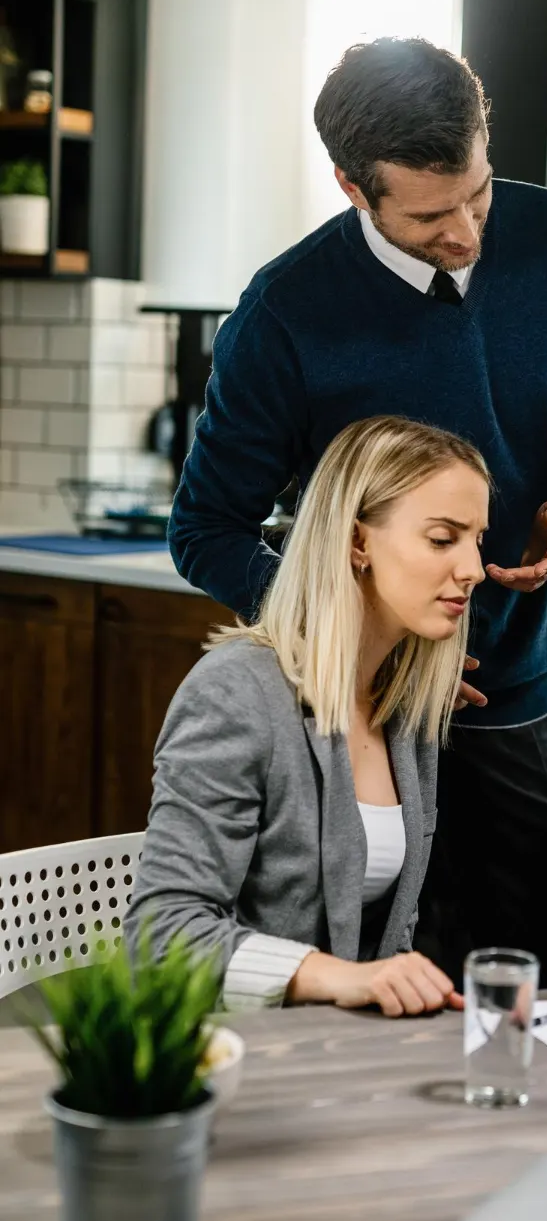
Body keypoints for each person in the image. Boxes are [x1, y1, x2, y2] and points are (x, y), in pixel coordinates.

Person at [167, 38, 547, 986]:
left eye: (479, 193)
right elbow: (204, 532)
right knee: (381, 990)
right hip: (364, 724)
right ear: (355, 189)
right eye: (434, 213)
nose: (471, 231)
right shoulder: (284, 313)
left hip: (518, 704)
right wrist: (357, 631)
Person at [128, 416, 489, 1015]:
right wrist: (337, 978)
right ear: (357, 542)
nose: (473, 568)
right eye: (442, 538)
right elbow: (162, 938)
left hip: (341, 1057)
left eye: (478, 539)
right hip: (233, 1056)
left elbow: (390, 936)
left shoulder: (406, 705)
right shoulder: (235, 693)